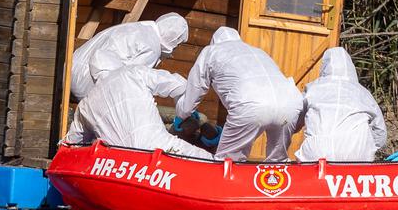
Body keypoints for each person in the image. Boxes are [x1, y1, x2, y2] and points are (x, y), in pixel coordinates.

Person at [176, 27, 304, 161]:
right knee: (277, 165)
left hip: (250, 105)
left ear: (215, 41)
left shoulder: (211, 51)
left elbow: (196, 87)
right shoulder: (258, 51)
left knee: (228, 163)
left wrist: (182, 114)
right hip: (289, 105)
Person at [63, 64, 209, 157]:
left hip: (119, 165)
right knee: (210, 163)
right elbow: (179, 85)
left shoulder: (85, 105)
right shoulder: (131, 73)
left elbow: (70, 145)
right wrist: (184, 111)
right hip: (159, 146)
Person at [296, 47, 387, 163]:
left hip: (318, 153)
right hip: (357, 153)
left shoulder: (312, 88)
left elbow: (295, 120)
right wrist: (369, 147)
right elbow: (380, 132)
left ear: (324, 66)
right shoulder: (363, 93)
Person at [69, 13, 189, 99]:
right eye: (177, 44)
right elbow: (132, 81)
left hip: (71, 71)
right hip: (87, 85)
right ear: (172, 38)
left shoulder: (139, 28)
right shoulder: (152, 47)